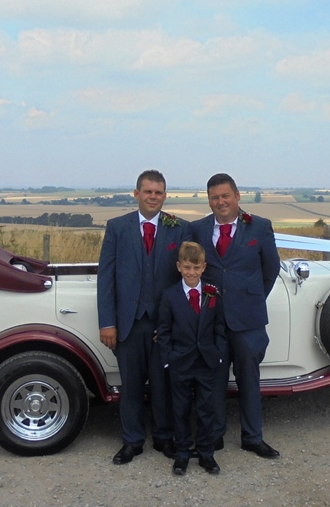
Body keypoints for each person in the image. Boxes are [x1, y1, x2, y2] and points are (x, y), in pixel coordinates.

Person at [97, 169, 191, 464]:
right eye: (148, 191)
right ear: (136, 194)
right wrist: (107, 323)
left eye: (159, 192)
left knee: (164, 384)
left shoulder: (179, 228)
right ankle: (132, 441)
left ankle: (164, 437)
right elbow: (106, 278)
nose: (153, 197)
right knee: (132, 385)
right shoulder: (117, 227)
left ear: (165, 196)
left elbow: (185, 279)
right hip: (129, 322)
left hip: (163, 324)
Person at [191, 173, 282, 459]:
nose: (221, 202)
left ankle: (253, 438)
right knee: (213, 380)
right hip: (213, 321)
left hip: (248, 322)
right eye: (214, 197)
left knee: (249, 380)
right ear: (209, 200)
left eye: (225, 196)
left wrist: (250, 299)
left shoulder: (260, 227)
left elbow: (271, 269)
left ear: (237, 196)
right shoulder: (198, 229)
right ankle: (214, 436)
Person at [157, 241, 226, 475]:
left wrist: (217, 355)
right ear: (179, 267)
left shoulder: (212, 292)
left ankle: (206, 453)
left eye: (196, 268)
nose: (191, 273)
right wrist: (168, 358)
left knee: (206, 409)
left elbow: (219, 326)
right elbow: (164, 330)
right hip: (180, 363)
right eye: (187, 267)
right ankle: (182, 453)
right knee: (181, 409)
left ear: (204, 267)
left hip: (206, 362)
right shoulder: (170, 296)